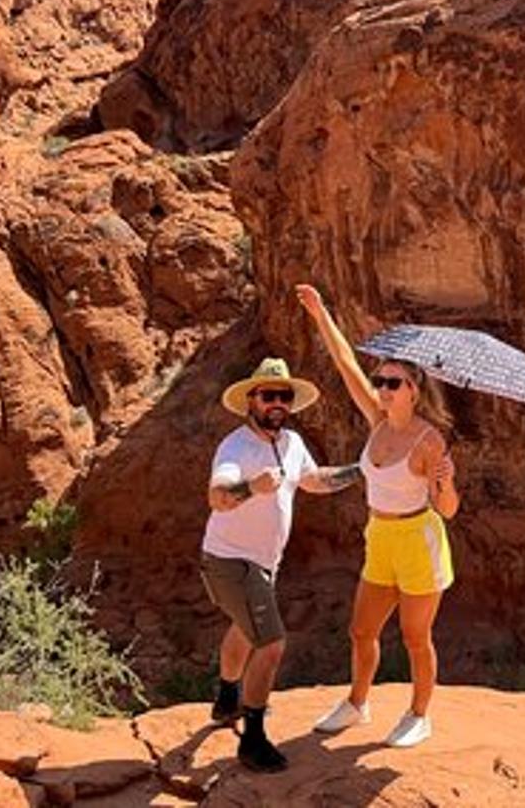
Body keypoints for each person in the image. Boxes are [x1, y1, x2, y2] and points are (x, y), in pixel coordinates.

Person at [296, 284, 460, 749]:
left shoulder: (429, 442)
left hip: (418, 540)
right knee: (362, 629)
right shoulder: (377, 420)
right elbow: (346, 364)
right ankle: (357, 704)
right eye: (380, 382)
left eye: (391, 383)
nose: (381, 389)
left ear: (414, 390)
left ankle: (419, 714)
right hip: (380, 537)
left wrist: (445, 482)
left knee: (414, 636)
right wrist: (321, 313)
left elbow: (446, 511)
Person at [202, 355, 362, 774]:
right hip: (230, 561)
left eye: (284, 397)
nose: (278, 403)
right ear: (251, 400)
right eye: (269, 395)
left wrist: (362, 469)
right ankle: (252, 740)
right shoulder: (235, 447)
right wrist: (252, 488)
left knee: (245, 626)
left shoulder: (290, 443)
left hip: (262, 563)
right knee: (270, 644)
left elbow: (313, 480)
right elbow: (217, 496)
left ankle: (226, 698)